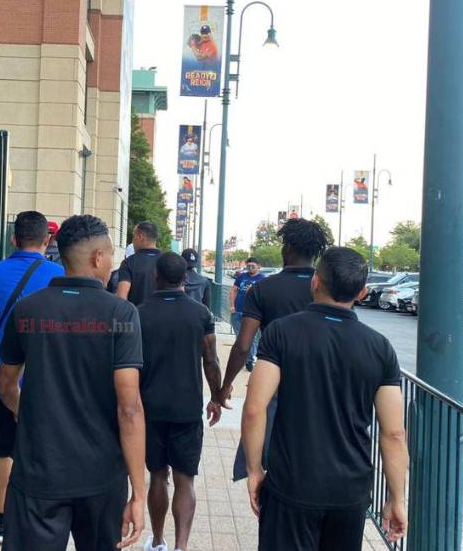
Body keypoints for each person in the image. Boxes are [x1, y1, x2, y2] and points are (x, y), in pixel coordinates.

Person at [242, 247, 409, 549]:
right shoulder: (380, 348)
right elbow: (394, 433)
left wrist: (254, 470)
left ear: (315, 282)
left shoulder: (281, 333)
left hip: (291, 484)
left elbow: (255, 408)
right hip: (349, 491)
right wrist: (396, 498)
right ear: (362, 292)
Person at [0, 214, 146, 550]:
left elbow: (5, 384)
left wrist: (26, 412)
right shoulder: (121, 315)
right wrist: (138, 493)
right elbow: (130, 409)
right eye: (110, 255)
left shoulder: (28, 309)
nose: (111, 263)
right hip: (101, 475)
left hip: (39, 471)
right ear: (97, 258)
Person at [221, 218, 330, 481]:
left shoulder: (263, 289)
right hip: (321, 383)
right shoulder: (327, 288)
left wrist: (225, 386)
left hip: (273, 383)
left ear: (287, 247)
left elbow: (243, 345)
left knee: (268, 458)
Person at [0, 211, 65, 543]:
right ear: (47, 239)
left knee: (3, 448)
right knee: (43, 449)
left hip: (1, 377)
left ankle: (3, 518)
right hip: (45, 381)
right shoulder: (58, 275)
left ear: (13, 239)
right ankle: (37, 514)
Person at [137, 253, 224, 551]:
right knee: (185, 480)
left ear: (156, 276)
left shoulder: (139, 313)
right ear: (185, 277)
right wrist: (216, 397)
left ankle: (157, 541)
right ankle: (181, 547)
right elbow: (211, 360)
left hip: (151, 408)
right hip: (187, 409)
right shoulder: (200, 314)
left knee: (157, 476)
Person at [229, 257, 266, 371]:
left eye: (253, 266)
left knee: (252, 337)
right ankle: (241, 360)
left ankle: (249, 361)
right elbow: (234, 290)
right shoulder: (241, 276)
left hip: (252, 313)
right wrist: (232, 306)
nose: (250, 268)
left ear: (259, 266)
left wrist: (253, 291)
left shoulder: (263, 279)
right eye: (248, 266)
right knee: (239, 337)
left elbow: (264, 297)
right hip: (237, 311)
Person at [116, 222, 162, 305]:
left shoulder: (129, 262)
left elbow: (121, 298)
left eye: (134, 237)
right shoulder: (168, 261)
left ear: (140, 237)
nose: (133, 241)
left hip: (136, 312)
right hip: (164, 312)